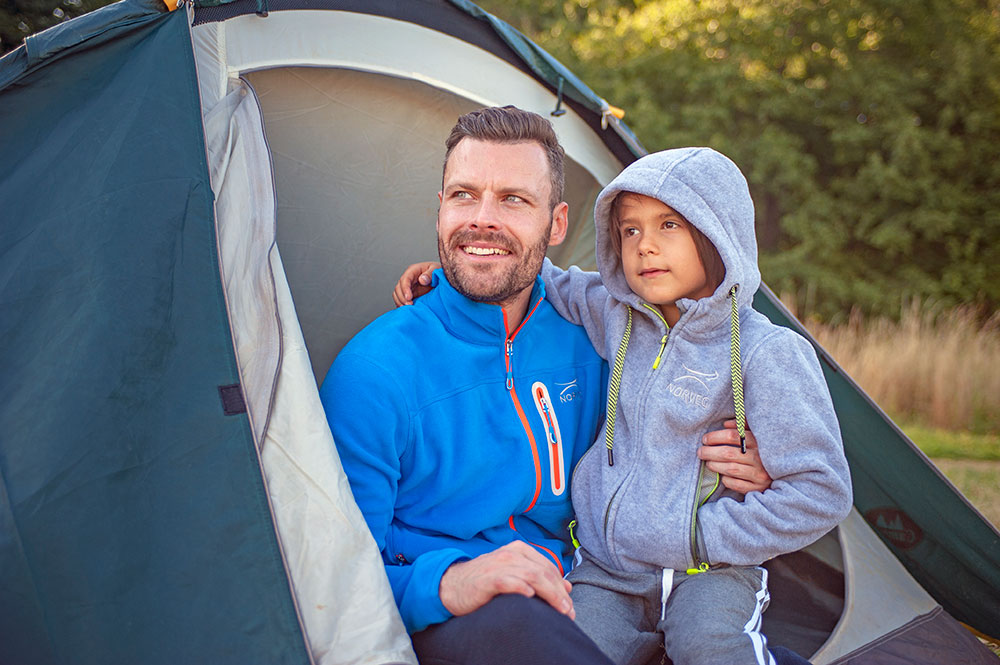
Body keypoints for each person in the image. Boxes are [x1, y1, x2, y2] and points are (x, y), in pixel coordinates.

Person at [323, 107, 775, 665]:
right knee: (521, 630)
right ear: (440, 209)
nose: (482, 220)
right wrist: (449, 583)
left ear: (557, 224)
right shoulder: (375, 373)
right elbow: (330, 581)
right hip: (459, 617)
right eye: (464, 195)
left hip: (597, 587)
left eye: (513, 199)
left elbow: (671, 422)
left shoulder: (602, 335)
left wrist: (751, 463)